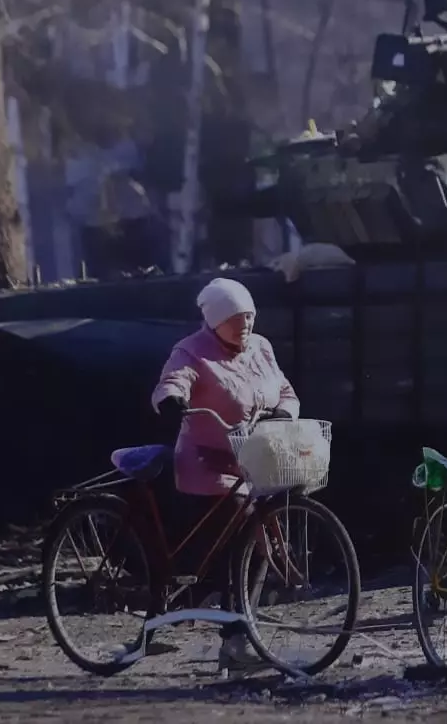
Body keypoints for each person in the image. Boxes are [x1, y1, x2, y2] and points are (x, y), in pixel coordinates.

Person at [150, 277, 299, 675]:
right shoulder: (192, 351)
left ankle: (240, 624)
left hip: (253, 459)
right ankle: (235, 638)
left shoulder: (261, 348)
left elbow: (285, 391)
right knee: (240, 530)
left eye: (249, 316)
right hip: (207, 462)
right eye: (235, 319)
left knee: (262, 532)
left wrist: (283, 412)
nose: (244, 325)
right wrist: (172, 400)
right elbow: (172, 382)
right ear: (216, 321)